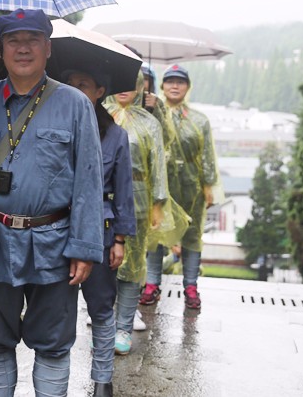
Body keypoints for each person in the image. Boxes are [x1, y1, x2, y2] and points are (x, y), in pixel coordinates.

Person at [0, 9, 104, 397]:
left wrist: (85, 248)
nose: (23, 48)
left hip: (54, 242)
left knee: (53, 342)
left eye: (33, 39)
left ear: (48, 48)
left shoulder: (74, 104)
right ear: (1, 51)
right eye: (13, 41)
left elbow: (89, 180)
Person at [64, 67, 136, 397]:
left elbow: (124, 191)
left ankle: (103, 379)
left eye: (83, 84)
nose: (75, 90)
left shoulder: (116, 135)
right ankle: (56, 377)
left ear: (99, 91)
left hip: (101, 231)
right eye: (69, 84)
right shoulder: (54, 125)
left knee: (102, 307)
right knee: (58, 309)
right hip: (59, 228)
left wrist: (120, 239)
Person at [141, 64, 220, 310]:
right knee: (157, 234)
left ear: (188, 87)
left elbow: (207, 154)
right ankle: (152, 284)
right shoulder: (152, 114)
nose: (175, 86)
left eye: (180, 81)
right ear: (162, 85)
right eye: (170, 81)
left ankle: (191, 287)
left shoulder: (199, 120)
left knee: (192, 236)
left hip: (191, 188)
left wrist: (208, 186)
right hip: (160, 184)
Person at [103, 70, 168, 357]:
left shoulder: (149, 123)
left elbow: (158, 165)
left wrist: (158, 203)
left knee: (132, 267)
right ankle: (104, 326)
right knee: (103, 263)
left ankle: (124, 329)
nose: (124, 88)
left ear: (141, 87)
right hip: (102, 199)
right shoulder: (100, 115)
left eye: (131, 83)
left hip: (138, 200)